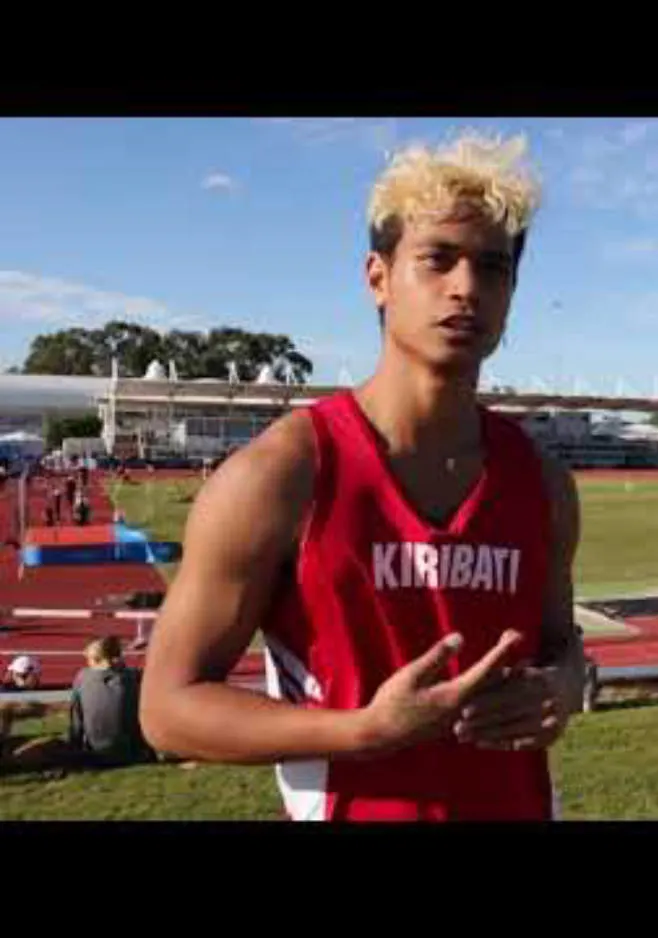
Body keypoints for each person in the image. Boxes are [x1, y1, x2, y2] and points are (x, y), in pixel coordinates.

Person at [139, 131, 586, 822]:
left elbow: (561, 642)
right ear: (378, 276)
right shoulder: (279, 476)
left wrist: (559, 686)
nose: (466, 287)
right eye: (438, 259)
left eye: (493, 268)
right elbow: (168, 710)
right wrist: (365, 731)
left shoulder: (544, 482)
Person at [68, 637, 153, 767]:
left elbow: (76, 719)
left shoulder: (81, 677)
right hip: (130, 753)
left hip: (95, 753)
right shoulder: (133, 676)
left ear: (96, 660)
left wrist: (74, 749)